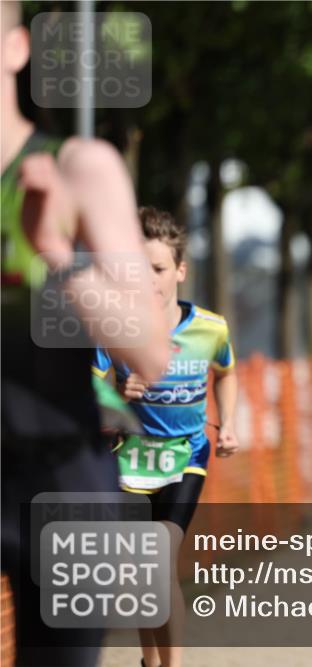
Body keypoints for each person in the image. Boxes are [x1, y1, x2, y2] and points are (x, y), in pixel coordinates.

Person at [1, 2, 170, 665]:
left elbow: (150, 350)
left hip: (63, 481)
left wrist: (55, 253)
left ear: (17, 49)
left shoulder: (79, 168)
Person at [92, 207, 240, 667]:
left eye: (156, 269)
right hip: (129, 457)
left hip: (186, 454)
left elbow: (226, 372)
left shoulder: (210, 328)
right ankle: (150, 661)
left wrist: (229, 422)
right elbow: (90, 387)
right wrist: (117, 392)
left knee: (158, 556)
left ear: (180, 270)